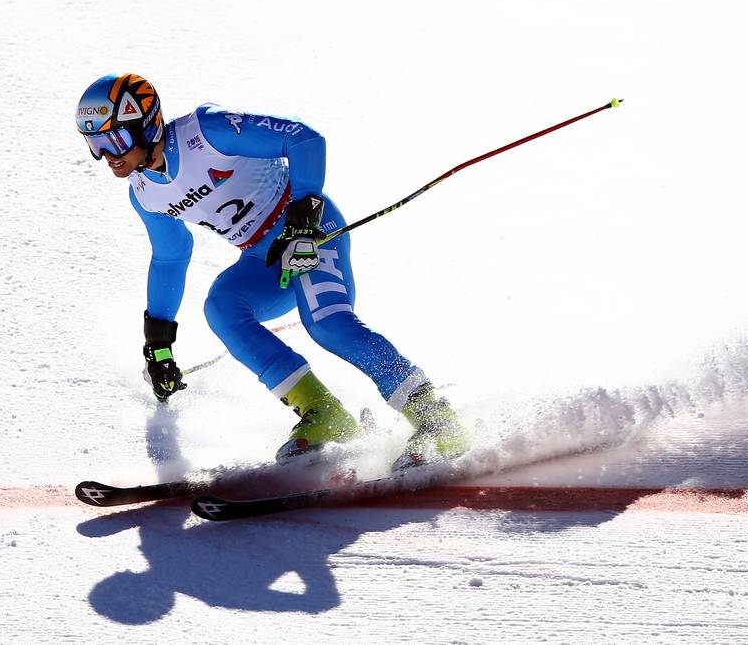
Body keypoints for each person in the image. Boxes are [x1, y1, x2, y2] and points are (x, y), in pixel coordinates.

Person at [74, 72, 468, 470]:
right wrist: (157, 339)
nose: (109, 156)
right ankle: (324, 413)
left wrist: (304, 213)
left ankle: (437, 419)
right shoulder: (144, 193)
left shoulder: (206, 131)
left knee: (328, 324)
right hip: (263, 259)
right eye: (96, 145)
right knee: (222, 307)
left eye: (115, 141)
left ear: (147, 125)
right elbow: (170, 257)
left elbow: (303, 138)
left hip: (313, 234)